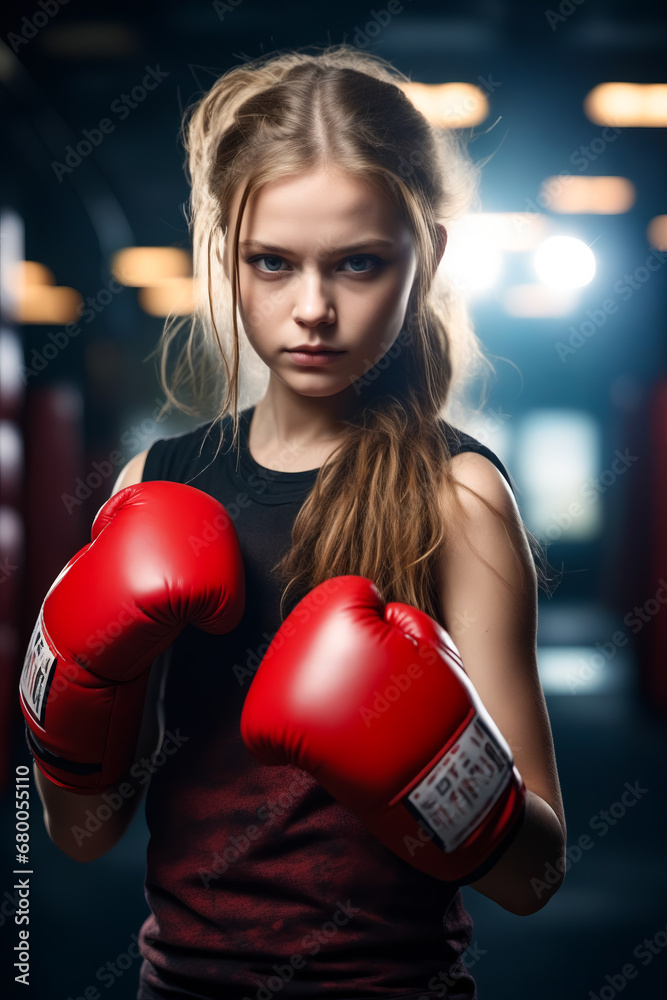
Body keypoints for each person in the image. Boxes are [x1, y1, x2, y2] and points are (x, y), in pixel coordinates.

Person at [24, 43, 567, 1000]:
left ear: (427, 258)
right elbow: (81, 834)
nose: (311, 309)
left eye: (358, 264)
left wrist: (431, 769)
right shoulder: (161, 481)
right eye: (271, 263)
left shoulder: (456, 497)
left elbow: (532, 875)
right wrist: (83, 695)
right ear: (222, 256)